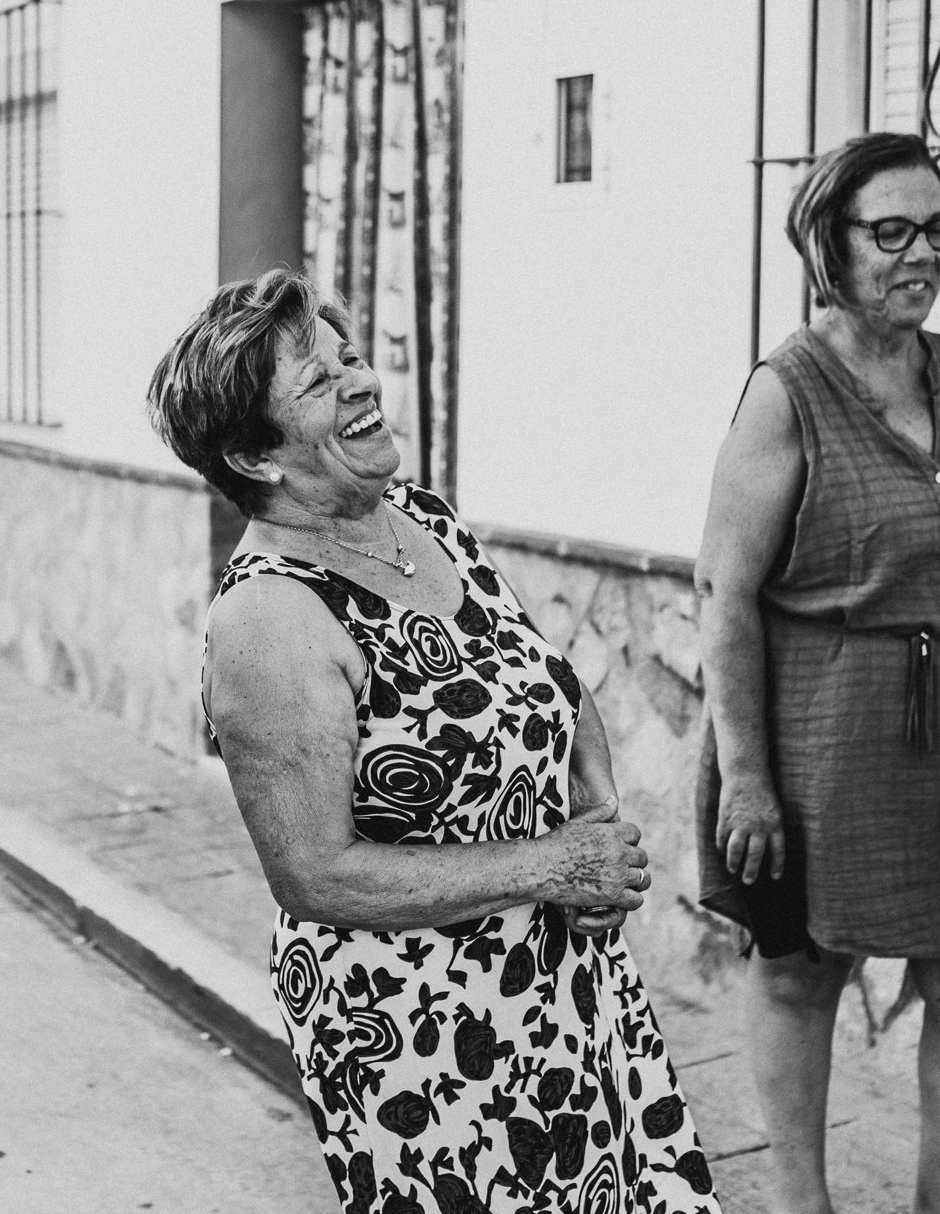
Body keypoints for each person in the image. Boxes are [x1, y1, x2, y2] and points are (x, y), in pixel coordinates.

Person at [148, 268, 719, 1214]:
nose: (362, 382)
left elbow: (551, 689)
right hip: (424, 1029)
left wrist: (598, 826)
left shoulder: (425, 522)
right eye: (321, 383)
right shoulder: (268, 619)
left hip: (565, 981)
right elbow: (315, 873)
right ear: (256, 455)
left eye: (353, 358)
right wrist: (553, 863)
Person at [696, 131, 940, 1214]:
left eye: (936, 228)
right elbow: (723, 593)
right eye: (888, 232)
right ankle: (804, 1206)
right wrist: (744, 774)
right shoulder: (785, 389)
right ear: (826, 246)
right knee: (801, 970)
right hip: (818, 729)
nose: (921, 253)